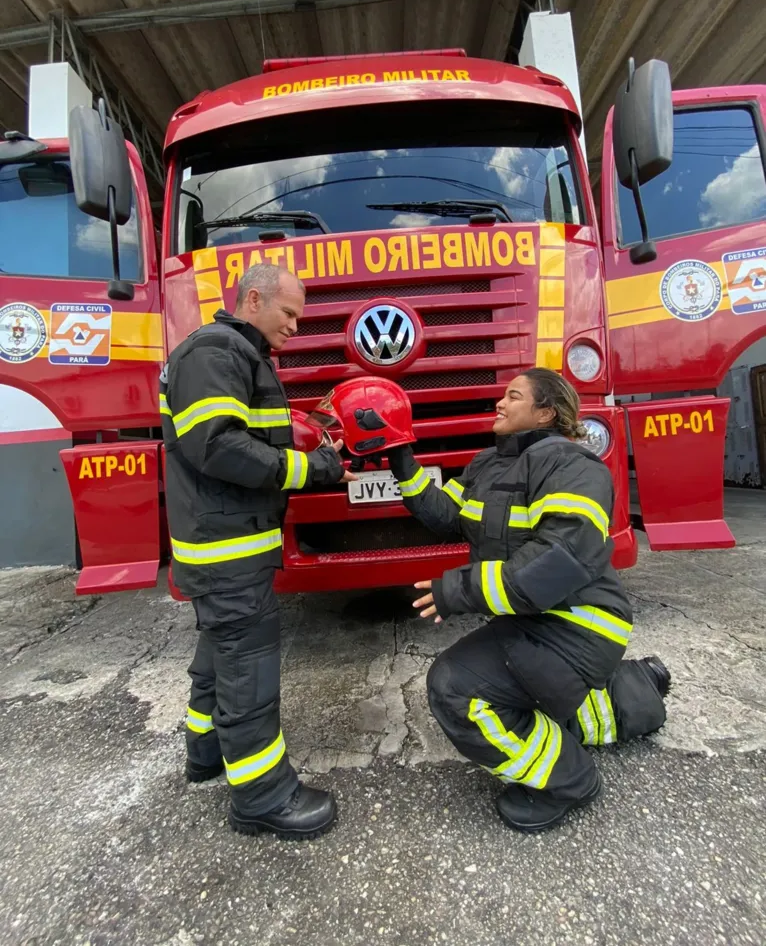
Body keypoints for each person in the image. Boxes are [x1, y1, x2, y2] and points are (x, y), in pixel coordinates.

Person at [328, 368, 670, 833]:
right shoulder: (488, 465)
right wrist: (400, 455)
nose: (500, 404)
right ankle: (632, 690)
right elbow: (444, 514)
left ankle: (568, 781)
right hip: (534, 621)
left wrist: (459, 590)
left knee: (454, 688)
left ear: (545, 411)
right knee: (515, 691)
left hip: (579, 627)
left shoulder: (573, 466)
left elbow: (561, 557)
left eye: (513, 396)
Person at [159, 264, 354, 840]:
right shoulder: (217, 352)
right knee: (247, 664)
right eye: (289, 313)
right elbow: (217, 447)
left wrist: (306, 432)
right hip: (228, 550)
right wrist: (311, 469)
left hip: (225, 546)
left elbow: (239, 436)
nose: (296, 325)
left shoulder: (235, 355)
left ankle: (207, 754)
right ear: (252, 299)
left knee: (222, 650)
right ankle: (262, 797)